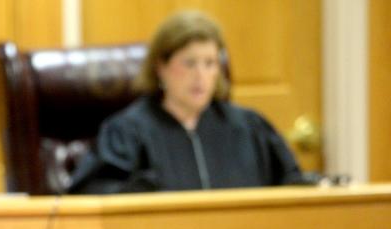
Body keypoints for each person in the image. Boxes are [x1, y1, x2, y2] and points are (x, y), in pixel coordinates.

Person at [70, 10, 315, 194]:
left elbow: (293, 187)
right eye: (189, 63)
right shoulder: (126, 132)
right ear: (160, 67)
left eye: (209, 63)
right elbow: (90, 195)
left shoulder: (250, 128)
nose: (200, 76)